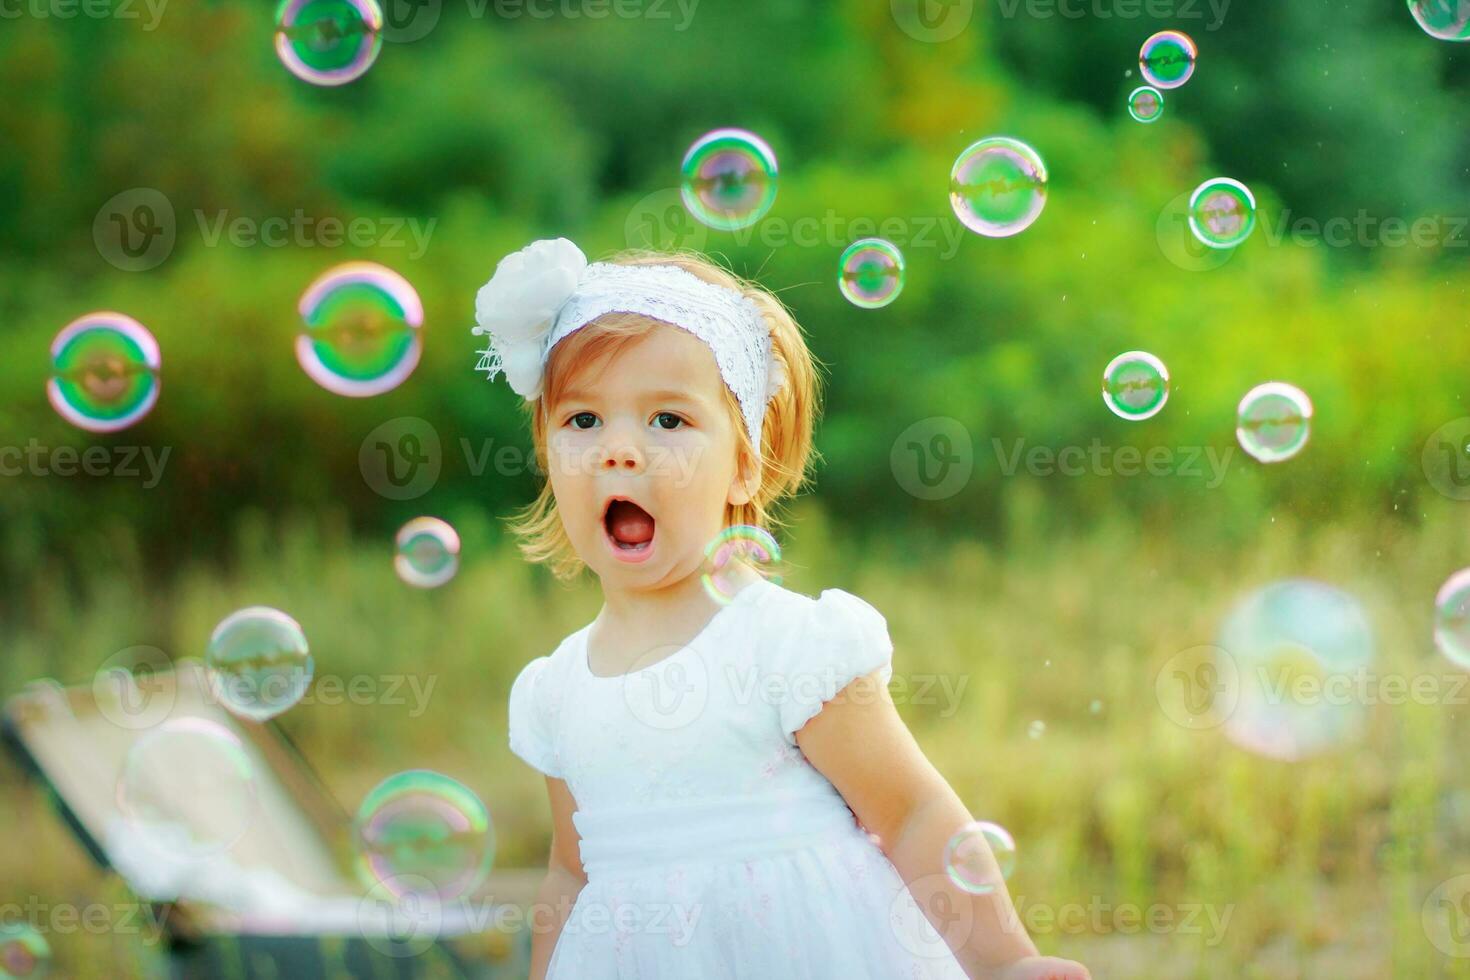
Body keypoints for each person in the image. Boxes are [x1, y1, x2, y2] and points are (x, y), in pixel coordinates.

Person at [473, 237, 1090, 980]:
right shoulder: (556, 689)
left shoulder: (787, 646)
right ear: (546, 452)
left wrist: (1004, 964)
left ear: (744, 463)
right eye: (582, 421)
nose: (619, 451)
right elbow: (570, 875)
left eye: (668, 420)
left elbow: (914, 816)